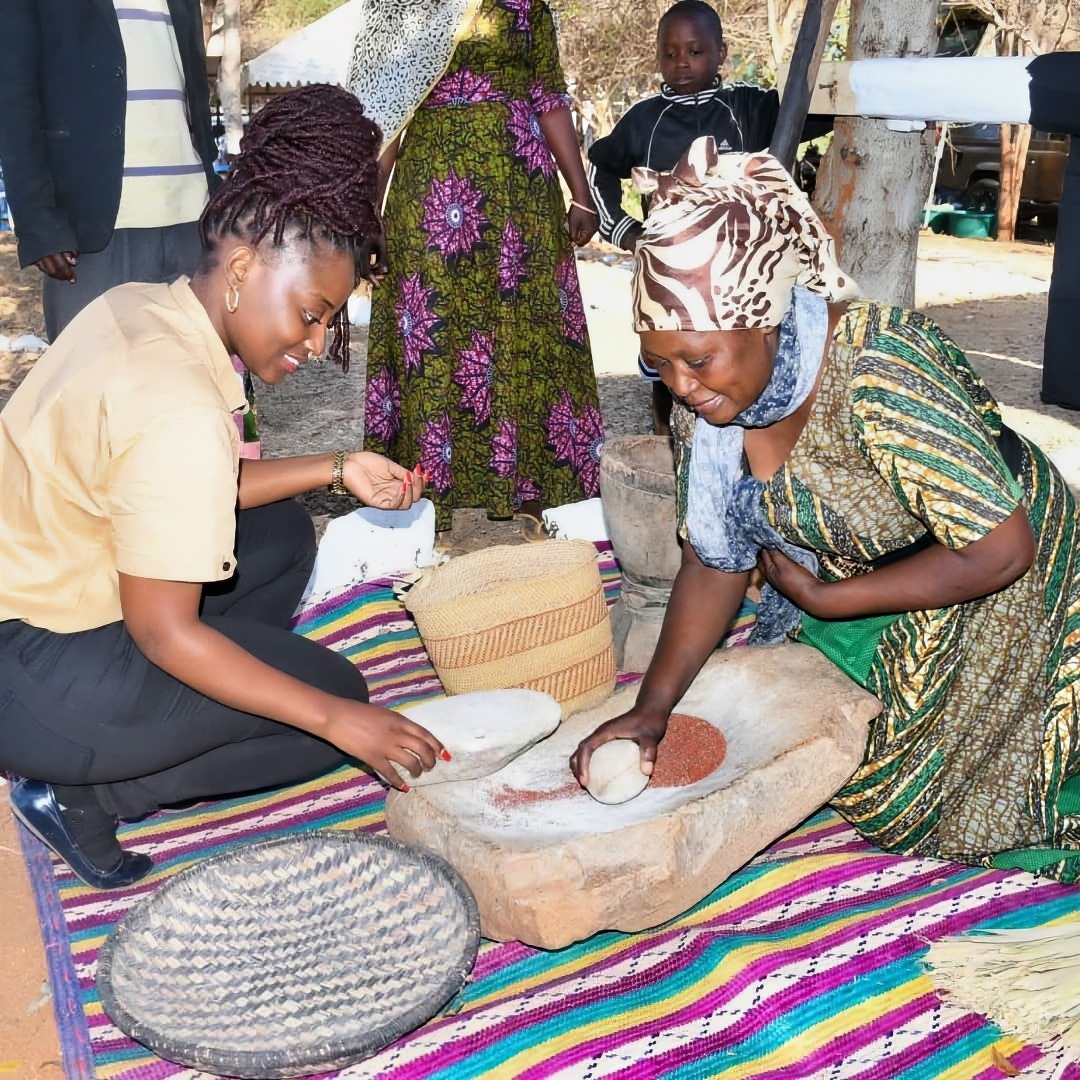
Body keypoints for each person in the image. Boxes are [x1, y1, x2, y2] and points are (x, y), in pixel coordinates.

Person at [571, 138, 1080, 882]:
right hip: (866, 567)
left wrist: (828, 600)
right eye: (659, 361)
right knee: (828, 759)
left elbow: (1000, 550)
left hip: (1000, 570)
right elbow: (714, 561)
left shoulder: (877, 366)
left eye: (698, 359)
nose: (679, 384)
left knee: (914, 805)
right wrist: (651, 709)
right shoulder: (706, 408)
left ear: (768, 321)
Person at [0, 85, 446, 892]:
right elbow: (165, 633)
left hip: (34, 611)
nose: (318, 342)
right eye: (312, 313)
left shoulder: (137, 307)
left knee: (282, 534)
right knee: (328, 704)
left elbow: (169, 486)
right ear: (243, 268)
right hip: (33, 675)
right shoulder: (179, 404)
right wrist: (339, 719)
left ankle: (152, 725)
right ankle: (83, 791)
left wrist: (336, 468)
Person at [348, 0, 604, 532]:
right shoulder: (402, 5)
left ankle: (529, 482)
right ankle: (423, 486)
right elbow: (385, 111)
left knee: (523, 332)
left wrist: (581, 193)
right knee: (436, 330)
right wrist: (367, 211)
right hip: (430, 195)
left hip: (519, 194)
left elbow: (547, 93)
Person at [587, 0, 829, 436]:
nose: (681, 62)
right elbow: (599, 168)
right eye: (670, 53)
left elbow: (814, 112)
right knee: (669, 364)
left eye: (695, 51)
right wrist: (626, 232)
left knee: (739, 365)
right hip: (669, 278)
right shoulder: (643, 120)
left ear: (721, 53)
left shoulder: (749, 107)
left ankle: (757, 441)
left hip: (741, 278)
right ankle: (667, 439)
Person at [0, 0, 218, 341]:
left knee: (192, 373)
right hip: (91, 233)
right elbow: (13, 99)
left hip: (192, 222)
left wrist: (216, 193)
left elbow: (194, 88)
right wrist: (38, 224)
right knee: (89, 373)